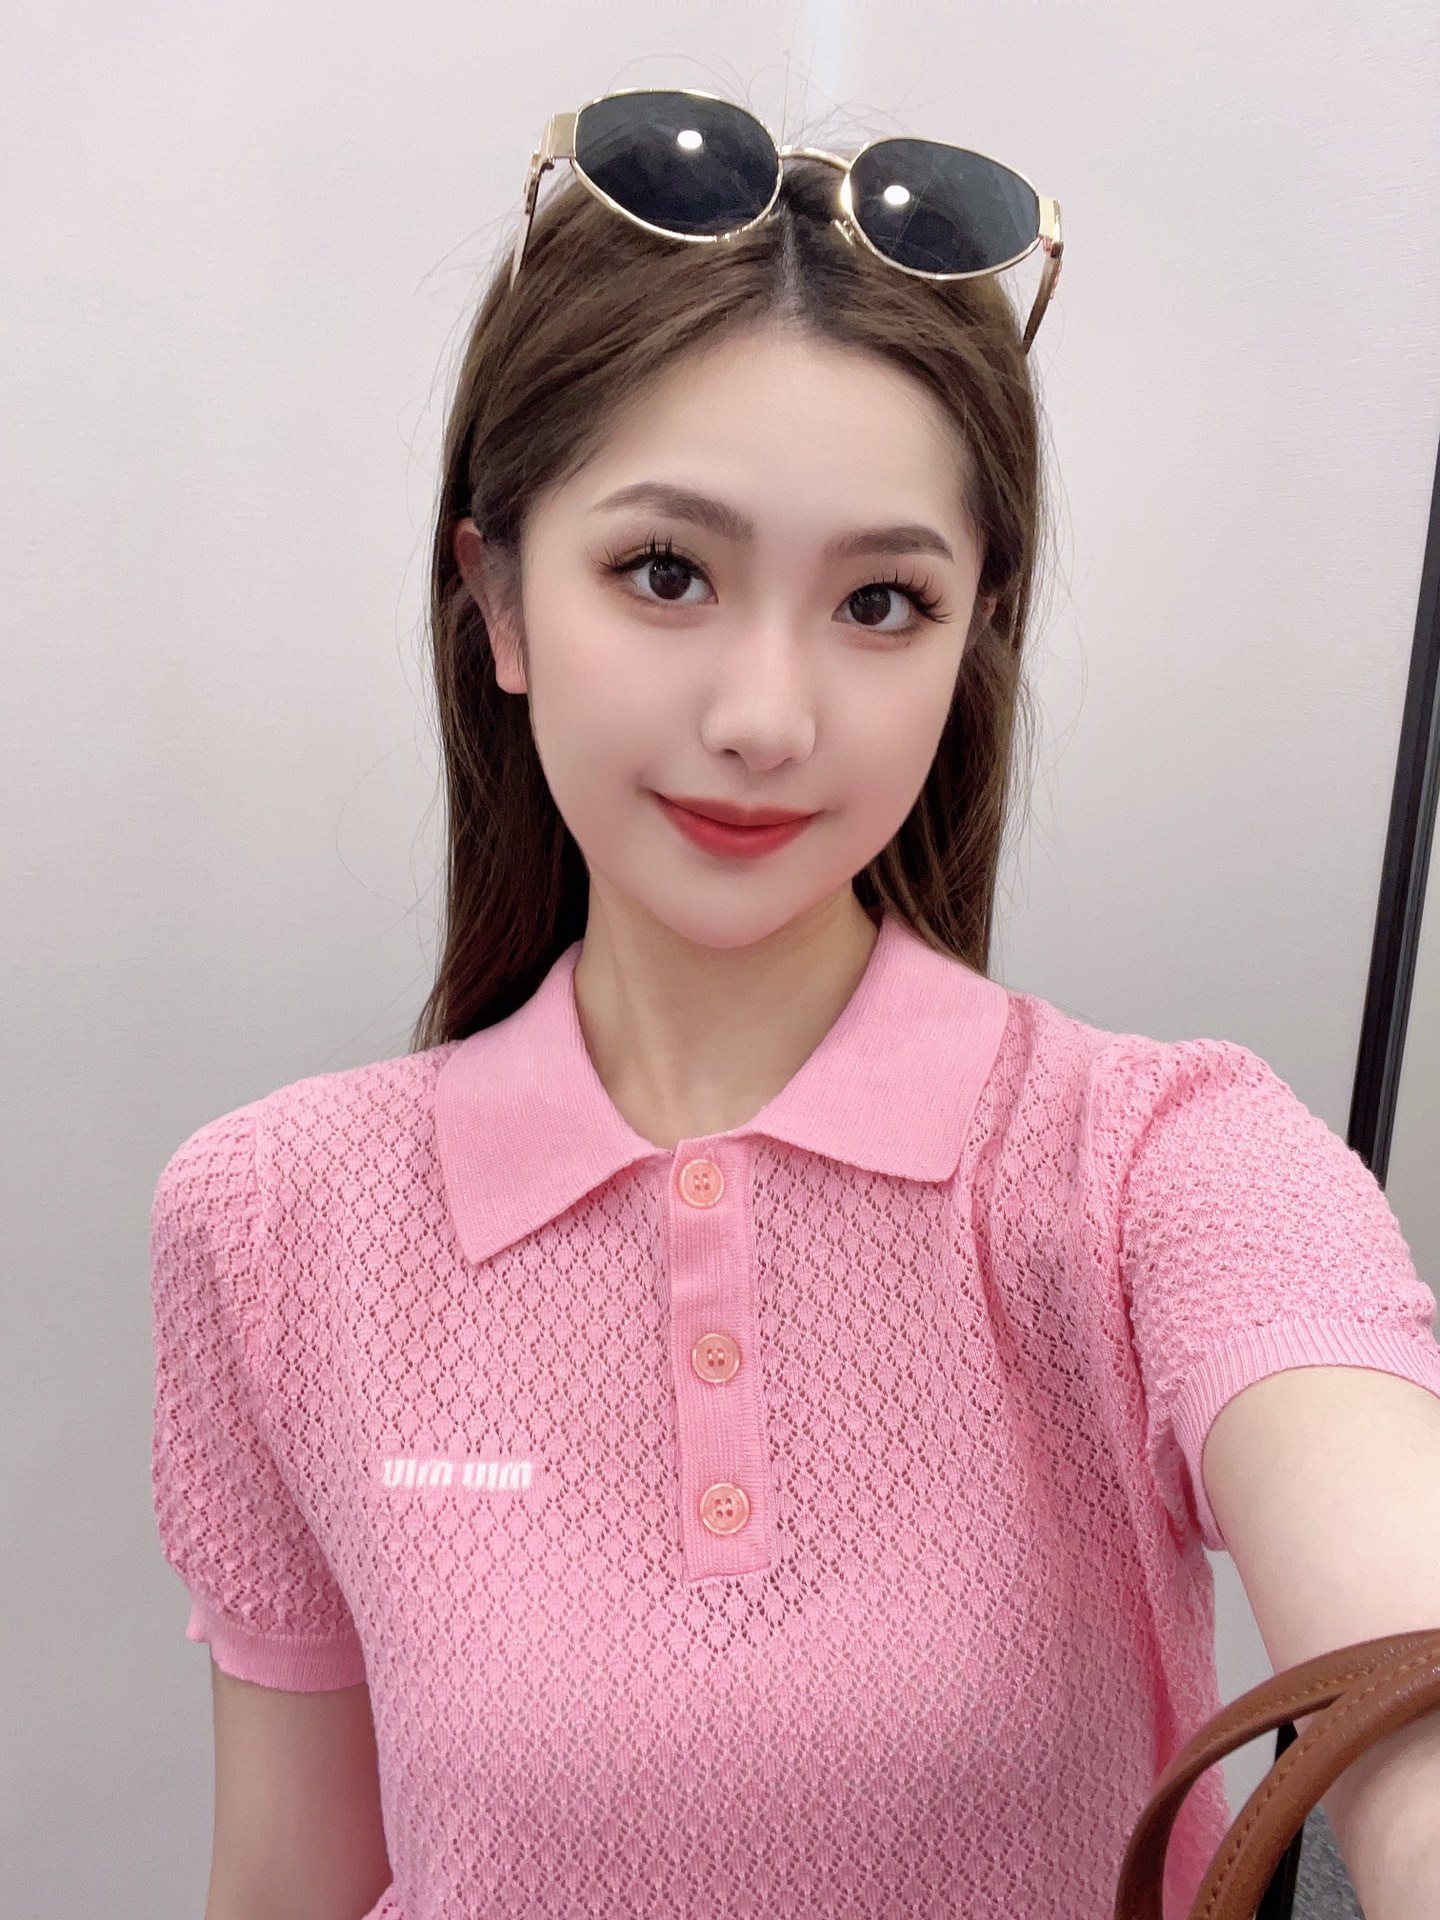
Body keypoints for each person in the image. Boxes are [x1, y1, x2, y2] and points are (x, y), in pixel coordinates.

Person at [148, 97, 1440, 1920]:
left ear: (973, 639)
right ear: (497, 601)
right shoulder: (270, 1221)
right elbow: (285, 1880)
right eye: (665, 573)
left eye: (883, 602)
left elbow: (1403, 1654)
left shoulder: (1163, 1164)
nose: (767, 717)